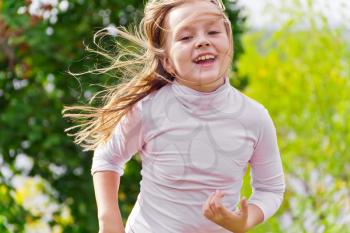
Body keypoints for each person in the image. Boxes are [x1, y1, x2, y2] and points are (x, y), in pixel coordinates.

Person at [63, 0, 286, 232]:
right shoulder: (149, 109)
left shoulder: (254, 117)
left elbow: (271, 189)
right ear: (167, 62)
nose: (202, 41)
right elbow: (108, 158)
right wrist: (109, 221)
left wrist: (245, 219)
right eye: (186, 37)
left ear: (229, 44)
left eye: (213, 31)